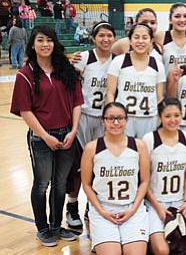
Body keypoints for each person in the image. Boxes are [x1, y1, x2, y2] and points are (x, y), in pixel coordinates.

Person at [10, 25, 83, 247]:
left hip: (66, 136)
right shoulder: (25, 75)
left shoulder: (65, 70)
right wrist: (45, 136)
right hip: (40, 139)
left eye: (49, 40)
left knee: (60, 184)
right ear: (33, 44)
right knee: (42, 184)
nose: (45, 44)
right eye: (40, 40)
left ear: (54, 43)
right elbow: (25, 111)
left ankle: (56, 225)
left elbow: (77, 102)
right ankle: (42, 228)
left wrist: (73, 131)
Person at [65, 22, 116, 229]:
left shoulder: (118, 61)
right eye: (101, 35)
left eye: (109, 35)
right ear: (93, 38)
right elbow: (70, 82)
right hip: (83, 116)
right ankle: (72, 206)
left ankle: (92, 207)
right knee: (77, 168)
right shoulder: (84, 57)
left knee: (100, 168)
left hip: (104, 121)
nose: (105, 39)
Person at [81, 102, 150, 254]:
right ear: (103, 121)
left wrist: (133, 209)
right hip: (103, 210)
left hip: (132, 208)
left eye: (120, 118)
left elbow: (145, 181)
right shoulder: (91, 148)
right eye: (111, 118)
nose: (116, 122)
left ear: (126, 119)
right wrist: (101, 211)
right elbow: (86, 184)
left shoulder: (139, 146)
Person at [143, 98, 186, 254]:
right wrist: (158, 207)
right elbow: (144, 180)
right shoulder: (149, 139)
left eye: (176, 115)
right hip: (156, 203)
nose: (173, 120)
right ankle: (147, 237)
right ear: (159, 117)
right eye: (167, 116)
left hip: (179, 202)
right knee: (162, 251)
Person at [106, 23, 165, 139]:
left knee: (146, 154)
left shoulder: (158, 65)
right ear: (130, 40)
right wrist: (111, 117)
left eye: (145, 38)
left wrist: (158, 120)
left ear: (151, 41)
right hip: (124, 118)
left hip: (149, 118)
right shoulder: (119, 61)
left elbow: (159, 97)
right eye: (136, 37)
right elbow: (110, 93)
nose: (140, 41)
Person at [155, 2, 186, 75]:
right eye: (177, 16)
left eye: (185, 16)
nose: (182, 20)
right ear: (170, 20)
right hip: (167, 85)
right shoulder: (160, 37)